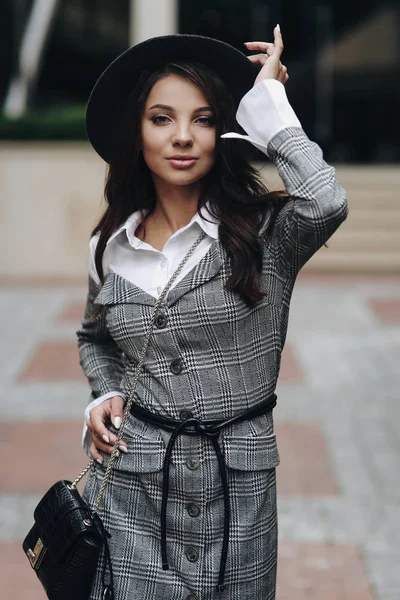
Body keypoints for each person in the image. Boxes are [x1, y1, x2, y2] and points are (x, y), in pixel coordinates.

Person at [77, 27, 348, 600]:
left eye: (202, 119)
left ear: (223, 131)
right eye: (161, 119)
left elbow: (327, 200)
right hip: (132, 487)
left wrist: (270, 107)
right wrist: (103, 395)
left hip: (238, 491)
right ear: (137, 132)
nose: (182, 137)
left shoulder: (268, 233)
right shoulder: (110, 244)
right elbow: (95, 338)